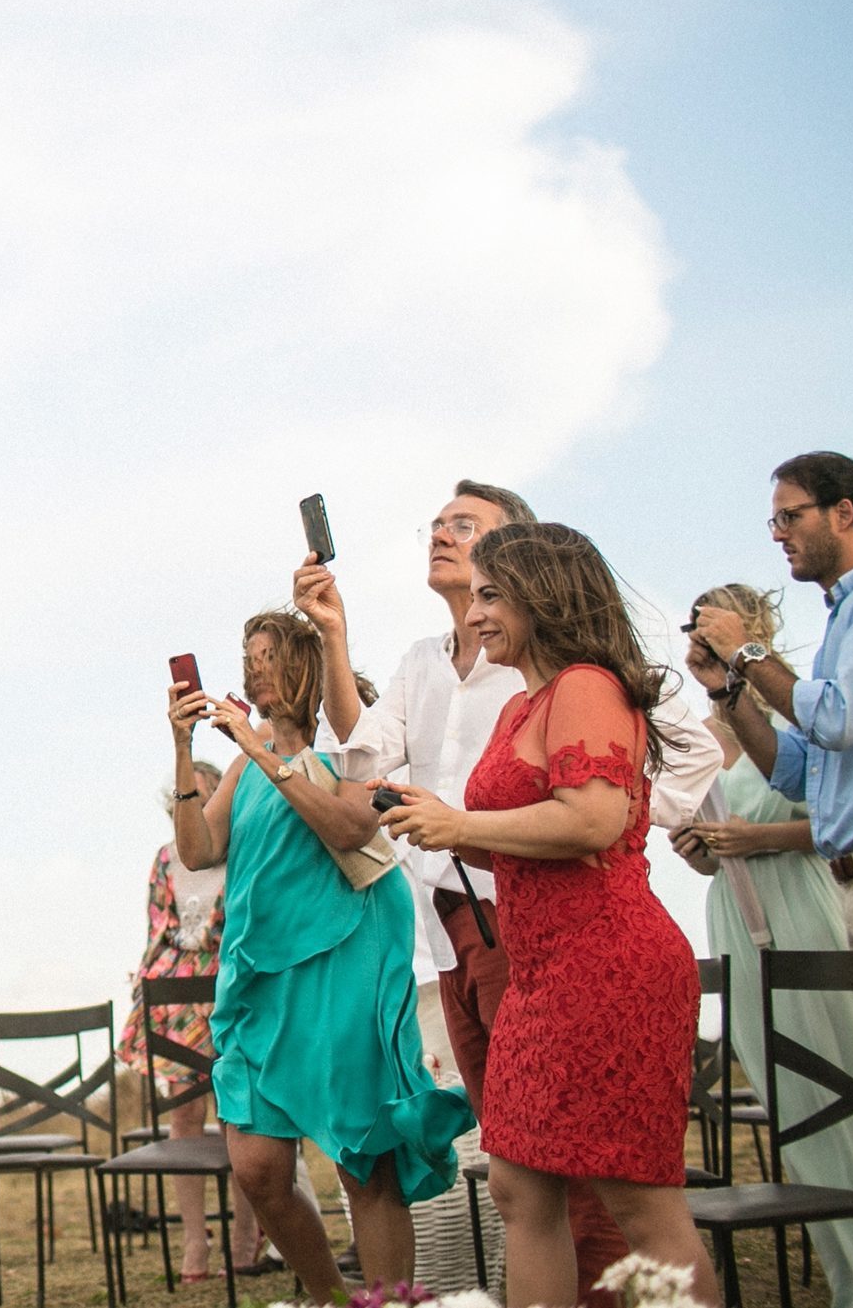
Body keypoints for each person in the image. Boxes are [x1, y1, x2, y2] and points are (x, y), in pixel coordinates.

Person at [295, 479, 719, 1307]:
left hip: (605, 963)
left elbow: (597, 816)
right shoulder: (524, 700)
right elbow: (476, 807)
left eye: (493, 595)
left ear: (542, 594)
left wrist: (461, 827)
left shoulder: (589, 685)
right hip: (535, 967)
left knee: (637, 1201)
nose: (478, 611)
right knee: (521, 1188)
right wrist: (440, 820)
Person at [170, 610, 473, 1303]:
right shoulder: (245, 762)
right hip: (260, 975)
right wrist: (185, 747)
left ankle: (387, 1301)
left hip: (348, 960)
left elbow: (347, 824)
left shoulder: (352, 743)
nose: (254, 671)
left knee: (366, 1162)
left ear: (305, 662)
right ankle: (333, 1295)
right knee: (257, 1167)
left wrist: (263, 747)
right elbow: (198, 850)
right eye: (248, 657)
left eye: (268, 655)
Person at [672, 582, 853, 1304]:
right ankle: (845, 1271)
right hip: (732, 907)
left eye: (710, 625)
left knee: (840, 1085)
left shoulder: (797, 708)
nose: (697, 636)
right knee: (789, 1100)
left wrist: (754, 837)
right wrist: (698, 846)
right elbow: (705, 847)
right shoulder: (700, 728)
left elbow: (838, 820)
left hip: (802, 903)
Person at [692, 451, 853, 947]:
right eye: (775, 520)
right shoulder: (845, 618)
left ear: (843, 513)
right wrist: (724, 686)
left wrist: (746, 652)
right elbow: (795, 774)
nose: (777, 534)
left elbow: (837, 717)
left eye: (789, 517)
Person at [116, 762, 266, 1280]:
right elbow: (159, 926)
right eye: (189, 798)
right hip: (177, 995)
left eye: (208, 796)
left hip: (231, 987)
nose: (198, 807)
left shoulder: (241, 854)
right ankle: (194, 1242)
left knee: (237, 1117)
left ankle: (246, 1239)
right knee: (183, 1114)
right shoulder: (164, 860)